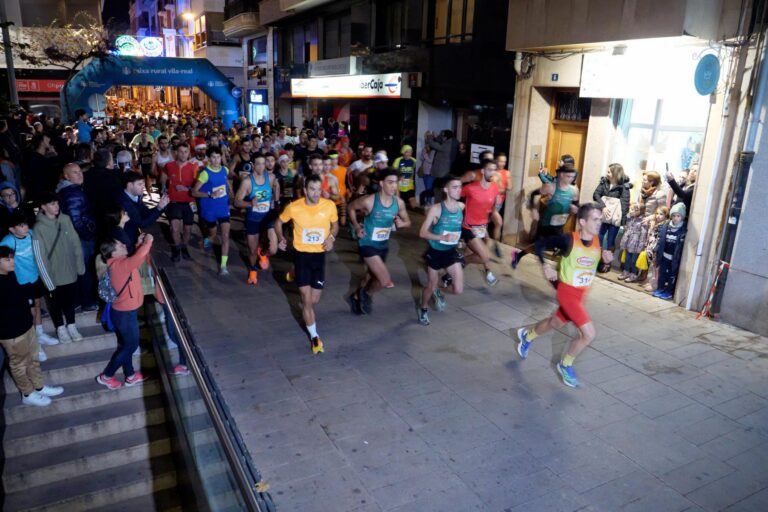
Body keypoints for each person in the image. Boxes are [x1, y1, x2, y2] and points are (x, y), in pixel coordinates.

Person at [514, 203, 614, 388]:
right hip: (567, 293)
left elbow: (597, 267)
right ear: (583, 222)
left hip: (581, 295)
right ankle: (565, 364)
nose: (599, 223)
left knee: (555, 323)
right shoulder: (568, 240)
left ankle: (527, 336)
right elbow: (540, 244)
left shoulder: (598, 241)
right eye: (595, 219)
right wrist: (545, 265)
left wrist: (606, 264)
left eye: (600, 219)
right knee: (589, 334)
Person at [275, 174, 339, 354]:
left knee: (314, 300)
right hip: (301, 255)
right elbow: (278, 222)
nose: (317, 193)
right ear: (305, 190)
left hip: (319, 257)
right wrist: (280, 237)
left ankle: (294, 272)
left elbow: (335, 225)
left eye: (319, 189)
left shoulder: (329, 206)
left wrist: (331, 238)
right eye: (312, 189)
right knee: (305, 300)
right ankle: (314, 337)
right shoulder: (294, 208)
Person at [0, 246, 64, 407]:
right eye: (7, 259)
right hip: (11, 332)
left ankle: (39, 386)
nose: (12, 261)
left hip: (26, 325)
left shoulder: (10, 274)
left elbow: (20, 296)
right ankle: (27, 393)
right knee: (19, 364)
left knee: (33, 359)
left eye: (12, 258)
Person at [348, 168, 411, 315]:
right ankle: (366, 295)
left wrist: (403, 224)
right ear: (382, 183)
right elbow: (351, 207)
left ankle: (356, 295)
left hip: (383, 246)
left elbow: (407, 221)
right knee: (384, 280)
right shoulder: (369, 201)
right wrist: (357, 227)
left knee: (371, 276)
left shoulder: (399, 203)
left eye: (396, 183)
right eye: (390, 182)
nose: (394, 186)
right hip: (367, 244)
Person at [95, 234, 153, 390]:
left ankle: (130, 375)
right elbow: (139, 257)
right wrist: (148, 241)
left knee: (126, 345)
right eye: (120, 245)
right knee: (131, 345)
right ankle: (106, 376)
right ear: (113, 253)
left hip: (124, 312)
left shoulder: (118, 263)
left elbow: (134, 257)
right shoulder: (120, 266)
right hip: (125, 314)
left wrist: (139, 243)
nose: (124, 245)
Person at [1, 211, 60, 358]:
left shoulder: (33, 234)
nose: (25, 227)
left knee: (38, 306)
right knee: (30, 312)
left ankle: (40, 334)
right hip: (21, 282)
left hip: (35, 277)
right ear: (12, 229)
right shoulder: (6, 242)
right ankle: (35, 344)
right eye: (20, 226)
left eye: (26, 224)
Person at [32, 192, 85, 343]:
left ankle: (72, 325)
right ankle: (60, 328)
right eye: (52, 204)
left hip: (70, 270)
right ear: (43, 206)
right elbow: (39, 257)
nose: (56, 206)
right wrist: (48, 280)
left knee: (70, 301)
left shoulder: (65, 219)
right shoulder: (38, 228)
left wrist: (79, 265)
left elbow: (76, 243)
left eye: (56, 203)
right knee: (55, 304)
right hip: (53, 274)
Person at [417, 177, 465, 326]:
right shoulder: (436, 209)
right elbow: (422, 233)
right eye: (455, 187)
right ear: (446, 189)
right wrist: (442, 237)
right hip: (436, 252)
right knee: (430, 285)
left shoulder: (461, 207)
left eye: (460, 187)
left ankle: (439, 291)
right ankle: (423, 308)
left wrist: (460, 240)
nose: (459, 190)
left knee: (458, 289)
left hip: (450, 252)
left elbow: (458, 228)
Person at [512, 165, 580, 268]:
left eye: (572, 177)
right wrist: (534, 209)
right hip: (546, 223)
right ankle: (546, 268)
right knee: (540, 246)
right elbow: (533, 194)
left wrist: (574, 208)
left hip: (560, 223)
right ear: (561, 175)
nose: (570, 179)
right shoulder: (551, 187)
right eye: (568, 176)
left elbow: (576, 204)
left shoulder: (574, 190)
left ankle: (519, 255)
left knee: (553, 245)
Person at [451, 159, 502, 287]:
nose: (492, 173)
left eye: (494, 170)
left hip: (482, 227)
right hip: (468, 227)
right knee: (483, 256)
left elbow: (494, 205)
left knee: (470, 255)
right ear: (483, 171)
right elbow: (454, 195)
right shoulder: (471, 188)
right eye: (489, 170)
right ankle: (458, 262)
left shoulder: (495, 188)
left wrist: (494, 213)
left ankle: (448, 276)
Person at [56, 163, 98, 311]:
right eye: (75, 173)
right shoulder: (72, 193)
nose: (80, 174)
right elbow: (75, 220)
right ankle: (87, 301)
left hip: (76, 238)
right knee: (84, 270)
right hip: (81, 239)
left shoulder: (68, 190)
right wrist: (87, 235)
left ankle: (79, 301)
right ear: (67, 176)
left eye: (80, 171)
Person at [234, 154, 279, 285]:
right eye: (258, 164)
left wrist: (276, 203)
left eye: (263, 163)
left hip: (267, 218)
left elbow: (275, 188)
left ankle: (263, 252)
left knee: (273, 249)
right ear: (253, 165)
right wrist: (249, 204)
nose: (261, 167)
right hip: (253, 220)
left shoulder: (270, 177)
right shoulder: (247, 182)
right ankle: (253, 270)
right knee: (252, 250)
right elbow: (237, 202)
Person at [191, 146, 232, 274]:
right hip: (209, 210)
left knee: (225, 236)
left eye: (218, 157)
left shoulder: (225, 169)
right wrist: (210, 194)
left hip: (223, 208)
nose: (216, 160)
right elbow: (194, 192)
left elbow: (225, 181)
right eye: (213, 157)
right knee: (213, 234)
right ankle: (207, 239)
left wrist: (231, 192)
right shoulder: (205, 173)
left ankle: (223, 266)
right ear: (209, 159)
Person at [160, 142, 197, 262]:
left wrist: (187, 189)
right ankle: (176, 249)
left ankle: (184, 247)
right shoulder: (169, 165)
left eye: (186, 152)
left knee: (187, 230)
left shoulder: (193, 167)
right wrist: (163, 186)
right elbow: (164, 175)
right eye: (181, 151)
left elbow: (198, 186)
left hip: (188, 202)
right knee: (174, 229)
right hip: (174, 202)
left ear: (189, 153)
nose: (183, 154)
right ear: (176, 153)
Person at [592, 163, 631, 271]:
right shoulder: (604, 182)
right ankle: (597, 259)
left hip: (614, 218)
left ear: (615, 173)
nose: (607, 173)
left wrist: (623, 221)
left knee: (610, 240)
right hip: (602, 216)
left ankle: (607, 263)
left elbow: (625, 203)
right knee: (598, 236)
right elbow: (596, 195)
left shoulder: (624, 186)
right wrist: (603, 207)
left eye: (609, 172)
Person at [119, 172, 170, 254]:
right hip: (124, 241)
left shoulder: (135, 196)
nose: (143, 187)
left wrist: (161, 207)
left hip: (133, 235)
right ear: (130, 185)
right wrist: (159, 208)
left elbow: (145, 212)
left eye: (143, 184)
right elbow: (141, 223)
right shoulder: (124, 202)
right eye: (139, 184)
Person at [653, 203, 687, 300]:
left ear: (682, 217)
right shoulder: (666, 225)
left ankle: (668, 291)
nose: (676, 218)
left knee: (672, 275)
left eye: (678, 216)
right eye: (674, 216)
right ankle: (660, 288)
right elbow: (661, 239)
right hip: (664, 255)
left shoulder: (682, 229)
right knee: (662, 273)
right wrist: (657, 249)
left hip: (674, 258)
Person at [618, 203, 648, 283]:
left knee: (634, 260)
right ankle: (626, 271)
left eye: (634, 210)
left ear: (640, 211)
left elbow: (643, 234)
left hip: (636, 243)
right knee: (627, 258)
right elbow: (627, 228)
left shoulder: (643, 221)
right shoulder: (630, 218)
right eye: (631, 209)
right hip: (628, 242)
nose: (631, 211)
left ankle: (634, 274)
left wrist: (640, 246)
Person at [393, 145, 418, 210]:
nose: (409, 154)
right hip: (399, 185)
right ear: (403, 152)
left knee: (413, 206)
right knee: (398, 204)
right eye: (407, 152)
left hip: (409, 184)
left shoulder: (414, 161)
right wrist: (399, 176)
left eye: (410, 152)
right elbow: (393, 171)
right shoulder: (398, 160)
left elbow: (416, 170)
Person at [418, 135, 435, 208]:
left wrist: (425, 154)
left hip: (430, 173)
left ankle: (429, 203)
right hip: (425, 172)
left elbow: (430, 161)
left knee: (429, 188)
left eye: (428, 142)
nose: (427, 144)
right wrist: (424, 151)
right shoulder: (425, 150)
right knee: (427, 188)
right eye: (426, 142)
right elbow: (421, 158)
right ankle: (428, 202)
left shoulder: (433, 151)